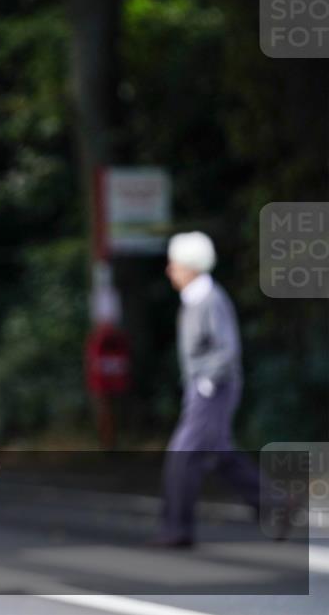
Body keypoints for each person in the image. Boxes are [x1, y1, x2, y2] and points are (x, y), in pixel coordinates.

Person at [156, 231, 286, 547]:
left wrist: (206, 382)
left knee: (183, 455)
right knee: (219, 456)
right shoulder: (194, 298)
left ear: (190, 266)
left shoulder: (209, 299)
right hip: (203, 389)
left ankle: (178, 530)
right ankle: (275, 504)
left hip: (214, 390)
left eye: (174, 264)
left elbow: (226, 348)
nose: (169, 271)